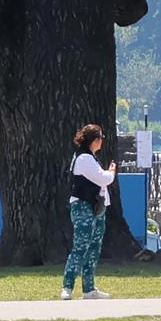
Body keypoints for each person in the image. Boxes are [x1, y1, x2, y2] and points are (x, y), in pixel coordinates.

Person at [61, 123, 116, 300]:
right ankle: (67, 286)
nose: (102, 141)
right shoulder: (84, 159)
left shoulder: (91, 158)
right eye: (101, 138)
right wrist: (112, 172)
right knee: (81, 246)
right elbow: (103, 178)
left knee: (94, 247)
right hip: (83, 206)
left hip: (97, 207)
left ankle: (89, 288)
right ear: (95, 140)